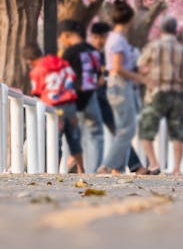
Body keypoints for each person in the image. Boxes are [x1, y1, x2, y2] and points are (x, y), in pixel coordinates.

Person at [138, 15, 183, 175]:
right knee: (178, 132)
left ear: (161, 30)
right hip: (178, 94)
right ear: (176, 31)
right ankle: (176, 168)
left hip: (156, 93)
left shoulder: (153, 46)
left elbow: (141, 67)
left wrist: (148, 78)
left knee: (146, 129)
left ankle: (154, 163)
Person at [23, 43, 84, 173]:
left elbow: (37, 91)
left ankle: (52, 170)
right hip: (70, 105)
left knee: (53, 140)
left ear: (29, 60)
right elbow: (72, 77)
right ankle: (82, 169)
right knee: (74, 138)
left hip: (53, 108)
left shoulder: (36, 70)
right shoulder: (60, 61)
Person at [97, 0, 142, 175]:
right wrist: (139, 77)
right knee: (127, 129)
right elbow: (117, 67)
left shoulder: (115, 39)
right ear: (129, 20)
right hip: (120, 85)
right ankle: (107, 166)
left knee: (123, 127)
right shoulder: (117, 40)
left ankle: (118, 167)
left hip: (118, 85)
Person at [58, 19, 104, 173]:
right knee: (96, 133)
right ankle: (94, 169)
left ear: (67, 35)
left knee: (74, 135)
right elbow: (99, 77)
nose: (62, 41)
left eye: (62, 38)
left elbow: (63, 77)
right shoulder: (94, 51)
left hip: (74, 100)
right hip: (91, 97)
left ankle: (76, 167)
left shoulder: (69, 53)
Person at [89, 21, 115, 137]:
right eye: (95, 37)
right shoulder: (87, 54)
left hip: (106, 100)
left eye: (102, 37)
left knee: (118, 134)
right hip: (90, 100)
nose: (99, 41)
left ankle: (132, 156)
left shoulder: (111, 55)